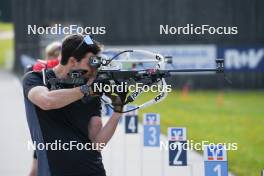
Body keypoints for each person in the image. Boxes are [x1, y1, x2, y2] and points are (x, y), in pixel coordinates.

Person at [23, 34, 125, 176]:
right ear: (72, 61)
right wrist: (87, 89)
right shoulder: (36, 78)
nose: (93, 68)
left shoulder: (89, 87)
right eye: (90, 62)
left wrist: (118, 111)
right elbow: (47, 101)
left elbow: (97, 145)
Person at [28, 41, 62, 176]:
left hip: (44, 128)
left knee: (36, 169)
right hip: (49, 127)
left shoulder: (40, 69)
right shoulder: (43, 69)